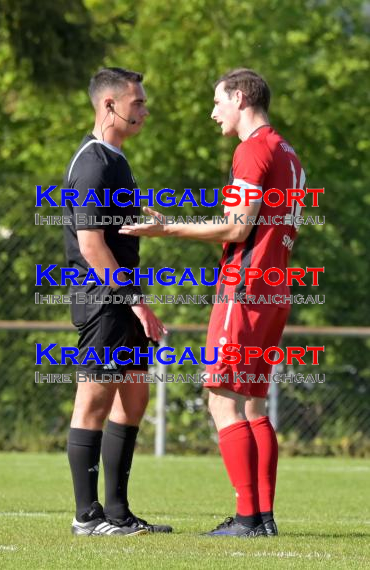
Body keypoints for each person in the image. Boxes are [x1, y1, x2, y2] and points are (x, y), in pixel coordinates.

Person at [120, 68, 305, 538]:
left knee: (221, 400)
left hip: (243, 289)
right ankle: (262, 518)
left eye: (218, 101)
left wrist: (167, 229)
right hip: (275, 288)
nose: (213, 112)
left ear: (240, 98)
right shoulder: (288, 152)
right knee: (255, 405)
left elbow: (236, 228)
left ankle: (247, 518)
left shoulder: (252, 149)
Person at [62, 67, 172, 536]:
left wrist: (148, 219)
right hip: (104, 299)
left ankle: (119, 513)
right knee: (94, 400)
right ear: (109, 105)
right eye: (138, 103)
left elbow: (112, 229)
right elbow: (91, 247)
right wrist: (137, 305)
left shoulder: (115, 160)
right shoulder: (93, 163)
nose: (144, 111)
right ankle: (87, 517)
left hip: (121, 297)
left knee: (134, 394)